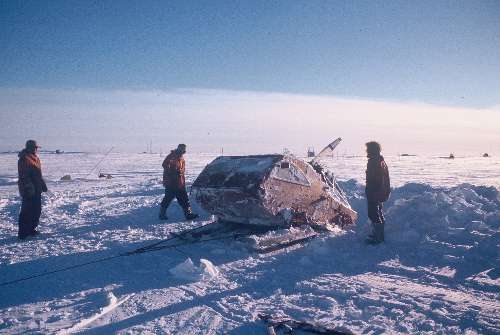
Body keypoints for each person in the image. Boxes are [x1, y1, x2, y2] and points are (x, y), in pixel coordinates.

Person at [159, 144, 199, 221]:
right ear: (178, 148)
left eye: (184, 149)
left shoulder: (181, 157)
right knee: (168, 198)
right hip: (172, 183)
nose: (183, 150)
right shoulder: (172, 155)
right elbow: (165, 164)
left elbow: (181, 171)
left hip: (180, 182)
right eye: (181, 148)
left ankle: (188, 214)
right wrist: (172, 173)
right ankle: (162, 214)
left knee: (184, 198)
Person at [18, 140, 48, 240]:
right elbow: (24, 176)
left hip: (37, 189)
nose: (36, 149)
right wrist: (29, 188)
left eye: (37, 148)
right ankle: (23, 232)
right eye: (35, 147)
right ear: (30, 147)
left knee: (36, 210)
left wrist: (42, 184)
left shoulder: (36, 158)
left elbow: (38, 174)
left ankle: (31, 229)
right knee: (26, 211)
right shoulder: (24, 158)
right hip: (28, 190)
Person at [365, 141, 390, 244]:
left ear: (372, 149)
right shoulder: (380, 160)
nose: (366, 150)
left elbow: (376, 179)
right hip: (379, 192)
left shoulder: (374, 161)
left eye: (367, 148)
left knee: (373, 213)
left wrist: (372, 192)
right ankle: (379, 235)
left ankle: (378, 237)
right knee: (378, 212)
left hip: (375, 192)